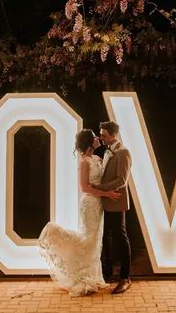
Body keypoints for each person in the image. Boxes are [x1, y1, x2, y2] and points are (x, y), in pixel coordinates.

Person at [37, 129, 121, 297]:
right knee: (88, 238)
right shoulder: (84, 162)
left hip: (98, 205)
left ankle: (92, 276)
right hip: (89, 204)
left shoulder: (96, 158)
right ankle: (56, 236)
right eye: (95, 137)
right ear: (90, 142)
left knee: (96, 240)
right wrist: (108, 194)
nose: (98, 138)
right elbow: (85, 187)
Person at [94, 121, 133, 294]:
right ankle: (108, 273)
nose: (101, 137)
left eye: (103, 135)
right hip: (106, 201)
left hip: (116, 201)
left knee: (120, 239)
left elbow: (121, 181)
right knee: (106, 238)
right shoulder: (108, 151)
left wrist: (99, 189)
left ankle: (125, 278)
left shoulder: (123, 152)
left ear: (113, 135)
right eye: (101, 134)